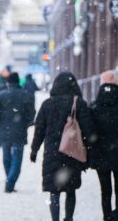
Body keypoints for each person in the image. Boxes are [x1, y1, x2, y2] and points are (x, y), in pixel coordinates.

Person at [30, 72, 94, 221]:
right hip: (73, 153)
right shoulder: (79, 103)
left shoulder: (47, 104)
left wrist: (34, 150)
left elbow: (39, 129)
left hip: (52, 153)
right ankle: (69, 218)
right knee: (71, 190)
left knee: (54, 191)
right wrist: (89, 153)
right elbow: (89, 130)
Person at [0, 72, 35, 192]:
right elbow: (31, 114)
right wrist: (25, 124)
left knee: (6, 158)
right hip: (19, 133)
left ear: (8, 82)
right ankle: (10, 182)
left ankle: (9, 180)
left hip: (4, 133)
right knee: (17, 160)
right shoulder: (25, 95)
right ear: (18, 82)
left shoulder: (1, 95)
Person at [90, 70, 118, 221]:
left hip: (101, 155)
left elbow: (89, 130)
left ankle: (107, 216)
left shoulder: (94, 107)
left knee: (105, 190)